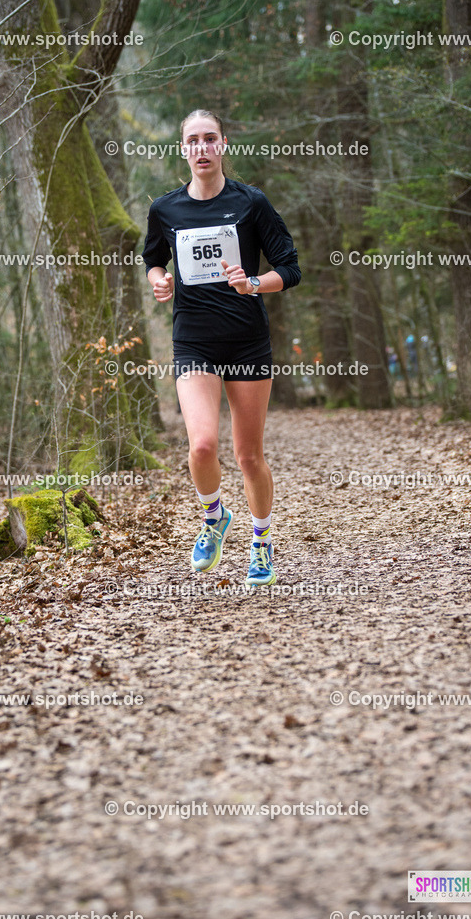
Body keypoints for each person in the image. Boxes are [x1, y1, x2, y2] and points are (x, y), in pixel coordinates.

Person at [143, 110, 301, 587]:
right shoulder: (166, 209)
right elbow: (152, 257)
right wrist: (159, 281)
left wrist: (253, 282)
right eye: (193, 140)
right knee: (202, 445)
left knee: (248, 456)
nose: (202, 147)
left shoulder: (251, 203)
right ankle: (214, 518)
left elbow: (289, 268)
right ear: (183, 149)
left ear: (223, 144)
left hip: (247, 342)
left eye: (210, 138)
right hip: (193, 341)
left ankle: (262, 540)